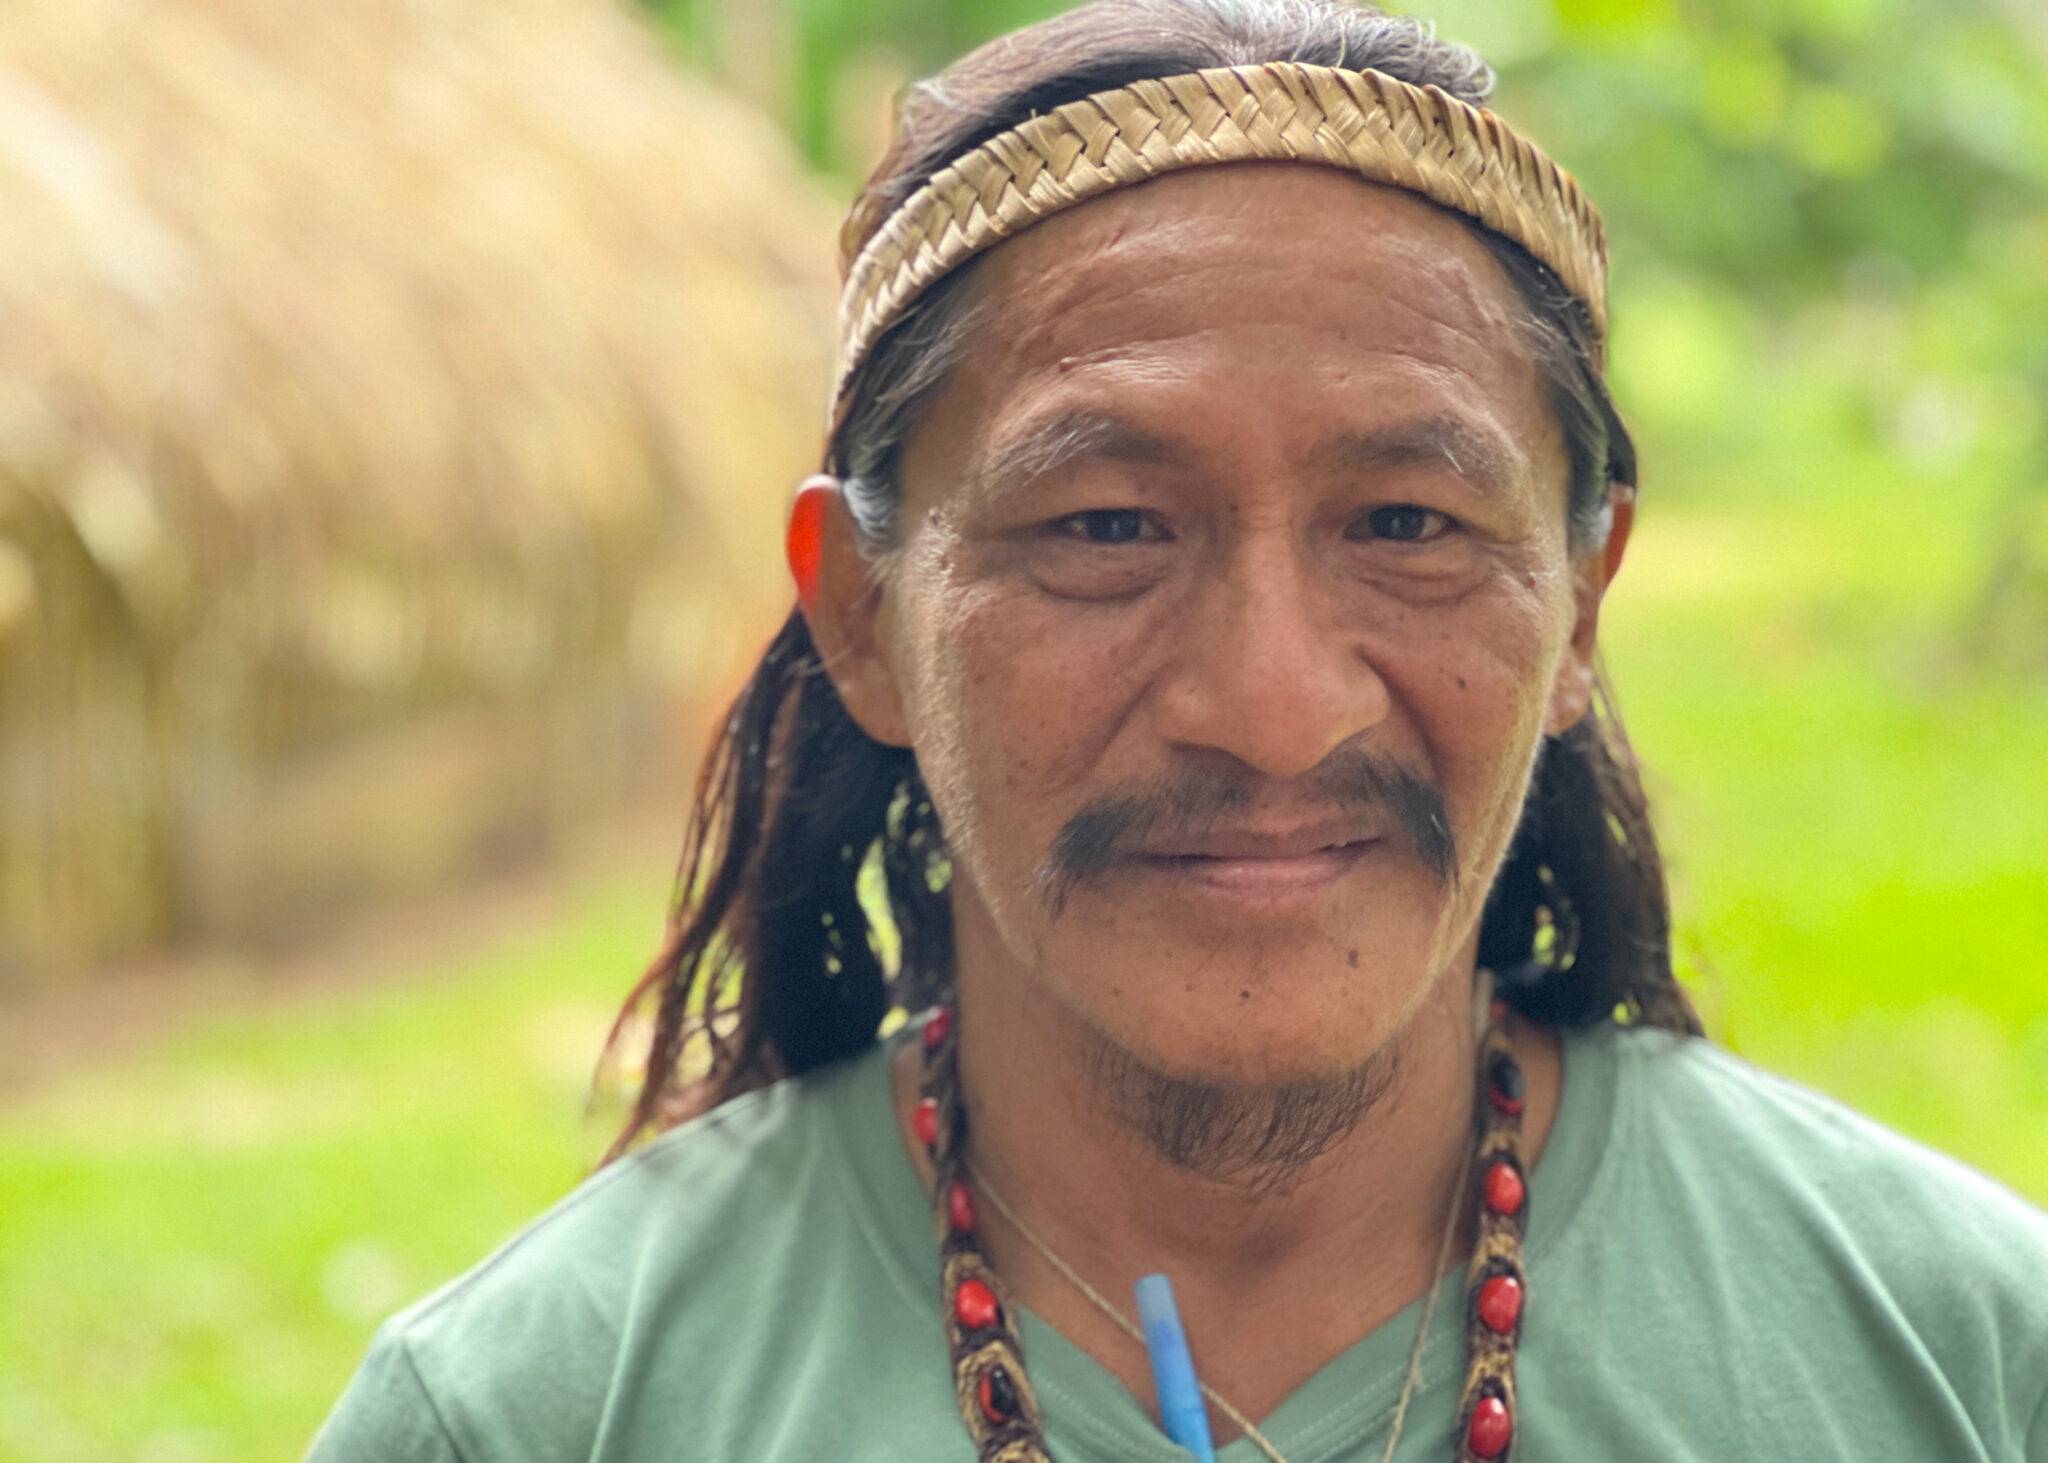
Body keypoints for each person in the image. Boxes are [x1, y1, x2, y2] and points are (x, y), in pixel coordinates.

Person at [309, 2, 2048, 1459]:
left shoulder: (1964, 1360)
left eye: (1407, 526)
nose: (1272, 712)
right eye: (1107, 529)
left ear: (1581, 604)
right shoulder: (533, 1416)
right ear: (864, 616)